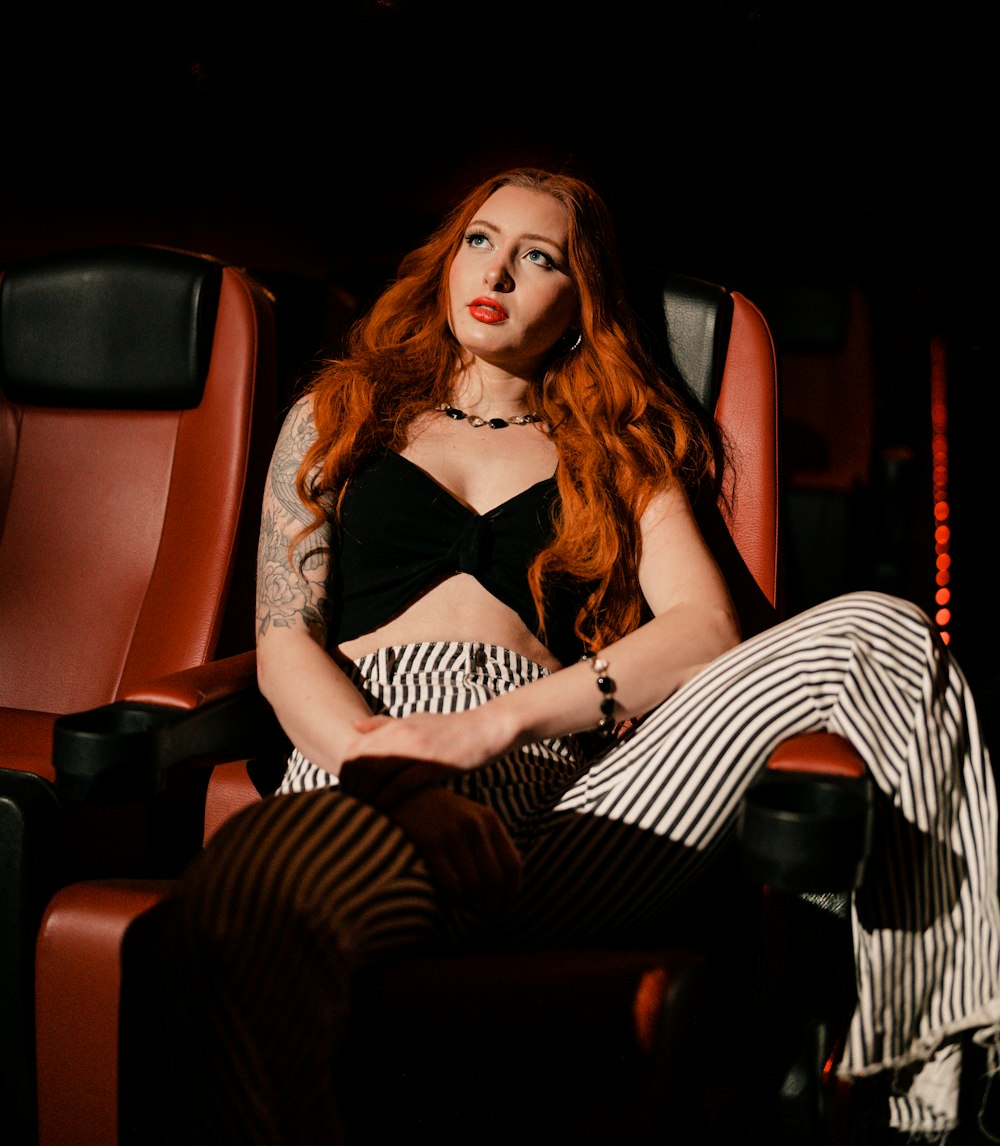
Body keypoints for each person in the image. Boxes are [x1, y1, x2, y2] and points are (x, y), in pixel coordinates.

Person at [158, 168, 999, 1143]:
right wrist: (395, 770)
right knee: (228, 914)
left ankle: (938, 1088)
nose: (499, 269)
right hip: (370, 764)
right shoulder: (339, 414)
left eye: (539, 255)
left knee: (882, 627)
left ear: (580, 299)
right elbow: (283, 644)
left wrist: (496, 724)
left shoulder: (618, 444)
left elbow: (705, 632)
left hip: (572, 806)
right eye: (481, 239)